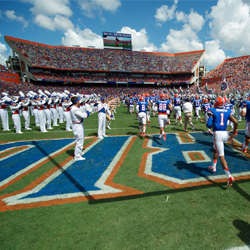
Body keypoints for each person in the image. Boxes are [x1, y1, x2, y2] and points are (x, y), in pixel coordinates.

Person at [206, 96, 238, 187]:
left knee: (222, 156)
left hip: (218, 134)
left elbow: (209, 125)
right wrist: (234, 132)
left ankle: (229, 176)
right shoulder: (227, 111)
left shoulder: (212, 110)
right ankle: (214, 166)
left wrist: (210, 119)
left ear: (216, 102)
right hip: (225, 133)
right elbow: (236, 122)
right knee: (214, 148)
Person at [70, 96, 91, 161]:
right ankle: (77, 156)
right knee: (79, 140)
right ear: (76, 102)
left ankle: (79, 152)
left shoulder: (74, 108)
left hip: (78, 124)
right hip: (77, 125)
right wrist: (88, 111)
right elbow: (84, 115)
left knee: (80, 139)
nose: (79, 101)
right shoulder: (75, 109)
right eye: (78, 100)